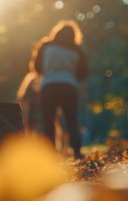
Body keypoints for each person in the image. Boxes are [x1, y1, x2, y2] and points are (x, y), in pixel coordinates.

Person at [30, 21, 89, 158]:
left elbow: (36, 66)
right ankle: (77, 151)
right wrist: (70, 75)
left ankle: (50, 153)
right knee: (71, 120)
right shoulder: (77, 49)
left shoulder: (46, 45)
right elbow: (84, 72)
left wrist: (48, 72)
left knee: (48, 121)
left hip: (48, 86)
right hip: (69, 87)